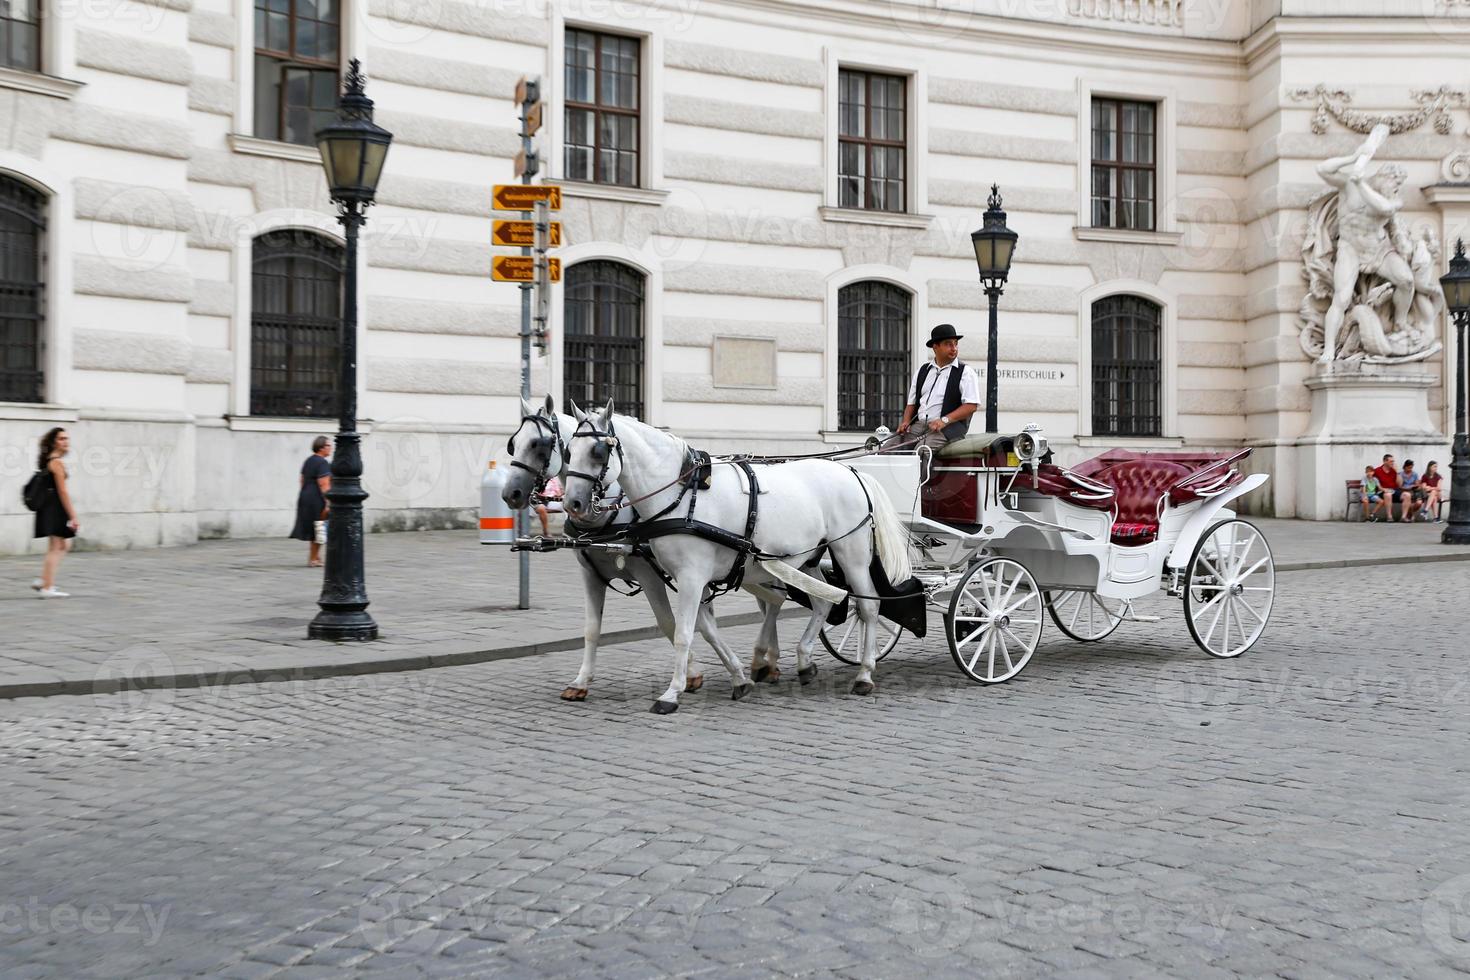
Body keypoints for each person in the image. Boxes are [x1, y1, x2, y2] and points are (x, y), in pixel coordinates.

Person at [897, 324, 981, 450]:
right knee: (889, 448)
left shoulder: (966, 372)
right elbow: (912, 403)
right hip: (920, 425)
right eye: (948, 344)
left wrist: (944, 420)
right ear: (935, 347)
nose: (954, 348)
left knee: (923, 451)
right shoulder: (922, 371)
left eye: (955, 344)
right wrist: (906, 421)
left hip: (950, 428)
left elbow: (971, 406)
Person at [30, 427, 79, 599]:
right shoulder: (56, 462)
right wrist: (73, 515)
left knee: (62, 545)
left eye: (67, 438)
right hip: (55, 509)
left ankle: (44, 581)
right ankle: (47, 587)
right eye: (61, 439)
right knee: (58, 546)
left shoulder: (49, 460)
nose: (65, 441)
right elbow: (62, 492)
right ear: (53, 442)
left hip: (49, 509)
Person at [290, 436, 332, 566]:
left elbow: (302, 480)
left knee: (315, 528)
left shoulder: (308, 461)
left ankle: (315, 557)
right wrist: (328, 502)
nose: (331, 448)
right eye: (328, 445)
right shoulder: (323, 463)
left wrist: (306, 493)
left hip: (305, 496)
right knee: (320, 528)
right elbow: (323, 484)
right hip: (317, 498)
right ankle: (313, 559)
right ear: (321, 448)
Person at [1372, 454, 1403, 521]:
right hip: (1382, 492)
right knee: (1388, 494)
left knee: (1407, 495)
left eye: (1393, 461)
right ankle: (1389, 516)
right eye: (1391, 461)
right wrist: (1382, 489)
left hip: (1394, 491)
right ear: (1385, 461)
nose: (1393, 463)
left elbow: (1400, 484)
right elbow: (1372, 483)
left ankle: (1404, 517)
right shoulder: (1377, 471)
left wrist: (1397, 472)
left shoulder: (1394, 471)